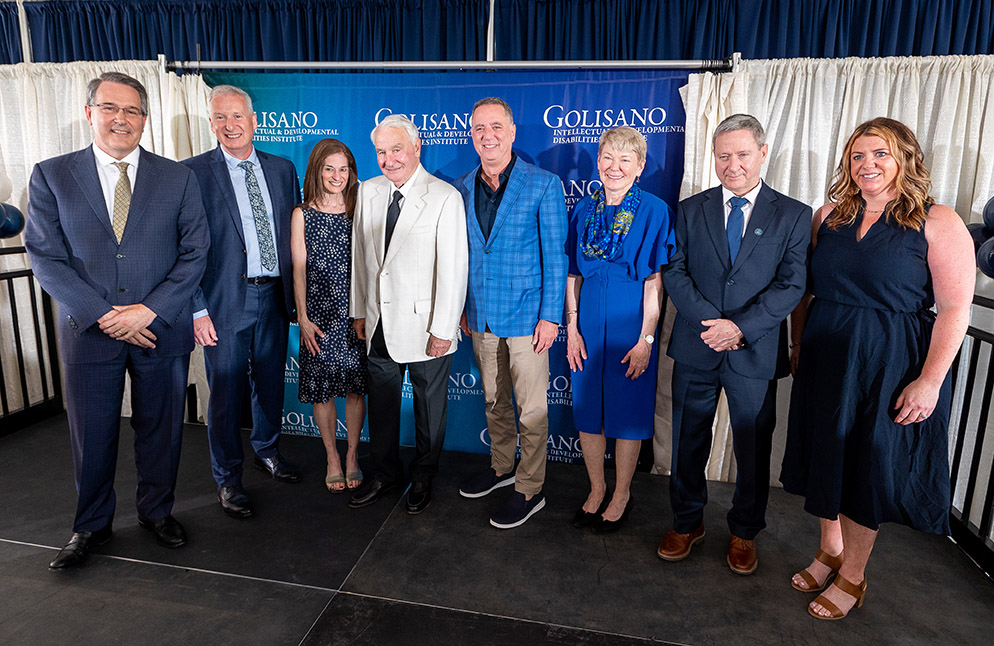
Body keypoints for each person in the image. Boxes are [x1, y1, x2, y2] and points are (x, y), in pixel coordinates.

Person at [780, 117, 974, 620]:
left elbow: (955, 309)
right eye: (858, 156)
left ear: (905, 158)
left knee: (866, 468)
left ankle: (854, 573)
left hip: (889, 361)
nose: (867, 165)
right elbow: (807, 290)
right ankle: (829, 549)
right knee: (826, 454)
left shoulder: (937, 221)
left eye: (880, 154)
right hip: (825, 352)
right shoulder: (828, 217)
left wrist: (929, 380)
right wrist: (798, 343)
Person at [24, 72, 209, 568]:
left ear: (145, 119)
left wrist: (150, 309)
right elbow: (45, 256)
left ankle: (156, 512)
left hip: (160, 329)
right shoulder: (52, 174)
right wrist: (104, 315)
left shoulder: (178, 177)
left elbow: (195, 252)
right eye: (110, 108)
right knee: (93, 432)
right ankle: (90, 527)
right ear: (90, 113)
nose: (120, 119)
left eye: (131, 111)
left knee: (162, 430)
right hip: (89, 332)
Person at [659, 114, 810, 574]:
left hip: (754, 350)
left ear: (763, 153)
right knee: (687, 441)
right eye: (724, 155)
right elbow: (675, 271)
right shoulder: (689, 208)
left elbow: (792, 284)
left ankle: (745, 531)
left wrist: (740, 328)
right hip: (697, 345)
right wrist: (713, 323)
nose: (733, 164)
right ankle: (687, 522)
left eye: (743, 154)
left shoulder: (794, 214)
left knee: (752, 447)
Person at [182, 85, 302, 519]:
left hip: (274, 296)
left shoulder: (283, 169)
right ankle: (227, 478)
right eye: (220, 118)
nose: (230, 126)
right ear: (211, 123)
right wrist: (196, 308)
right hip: (221, 301)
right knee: (227, 393)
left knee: (271, 383)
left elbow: (297, 237)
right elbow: (183, 248)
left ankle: (266, 450)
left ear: (254, 122)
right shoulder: (191, 173)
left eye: (238, 117)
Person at [455, 97, 568, 529]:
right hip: (480, 316)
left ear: (513, 131)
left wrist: (551, 317)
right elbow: (464, 256)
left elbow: (555, 258)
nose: (488, 135)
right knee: (494, 400)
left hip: (528, 319)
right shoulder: (461, 187)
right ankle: (502, 467)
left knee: (531, 410)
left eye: (496, 127)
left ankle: (529, 489)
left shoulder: (543, 184)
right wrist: (463, 307)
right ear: (471, 135)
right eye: (480, 128)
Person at [348, 114, 468, 515]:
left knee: (428, 411)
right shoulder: (368, 190)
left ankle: (423, 476)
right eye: (381, 152)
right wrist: (358, 312)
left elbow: (453, 270)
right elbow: (361, 261)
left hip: (425, 328)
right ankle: (384, 474)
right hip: (378, 324)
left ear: (417, 148)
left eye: (396, 149)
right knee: (381, 407)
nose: (389, 159)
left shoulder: (444, 196)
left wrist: (444, 329)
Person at [564, 126, 674, 533]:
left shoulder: (655, 211)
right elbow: (572, 275)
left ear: (640, 166)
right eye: (608, 157)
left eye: (625, 160)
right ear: (598, 161)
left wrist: (646, 340)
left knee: (627, 413)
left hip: (631, 322)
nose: (615, 167)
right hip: (588, 321)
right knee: (589, 411)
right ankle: (596, 488)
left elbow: (654, 284)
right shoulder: (581, 211)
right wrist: (572, 328)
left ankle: (622, 492)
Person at [290, 139, 367, 493]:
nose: (337, 176)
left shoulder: (361, 206)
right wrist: (303, 318)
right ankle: (331, 458)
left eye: (343, 169)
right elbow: (299, 269)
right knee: (322, 392)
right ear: (317, 170)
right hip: (318, 314)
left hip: (355, 314)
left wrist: (365, 311)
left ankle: (352, 456)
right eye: (329, 168)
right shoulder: (302, 213)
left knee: (355, 389)